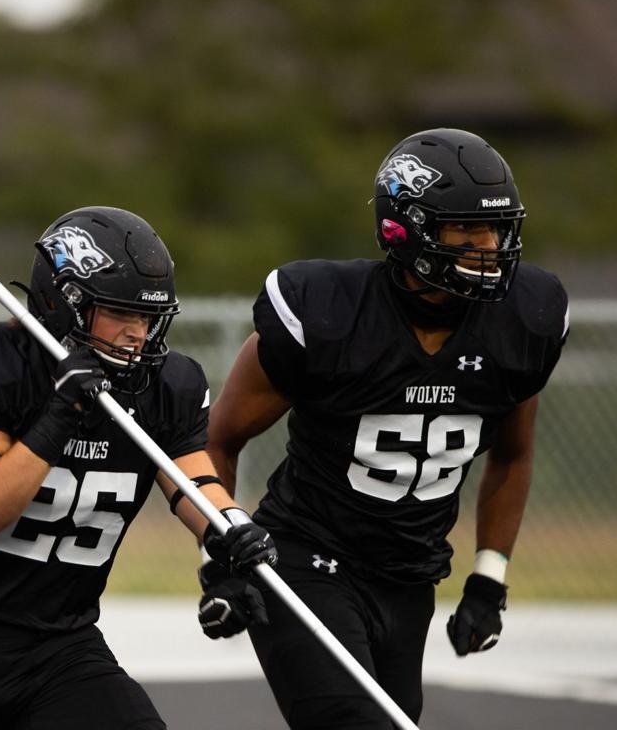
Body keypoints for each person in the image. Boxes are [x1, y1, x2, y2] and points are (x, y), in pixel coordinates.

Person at [203, 128, 569, 728]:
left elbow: (512, 454)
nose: (489, 246)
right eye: (465, 230)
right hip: (305, 560)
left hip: (409, 577)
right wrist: (219, 556)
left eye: (497, 229)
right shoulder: (328, 312)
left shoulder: (523, 321)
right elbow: (218, 439)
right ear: (405, 227)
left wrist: (488, 580)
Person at [0, 206, 277, 729]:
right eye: (122, 314)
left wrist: (231, 537)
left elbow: (193, 482)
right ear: (64, 304)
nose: (139, 335)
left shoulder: (166, 386)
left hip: (61, 647)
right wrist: (60, 413)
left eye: (149, 317)